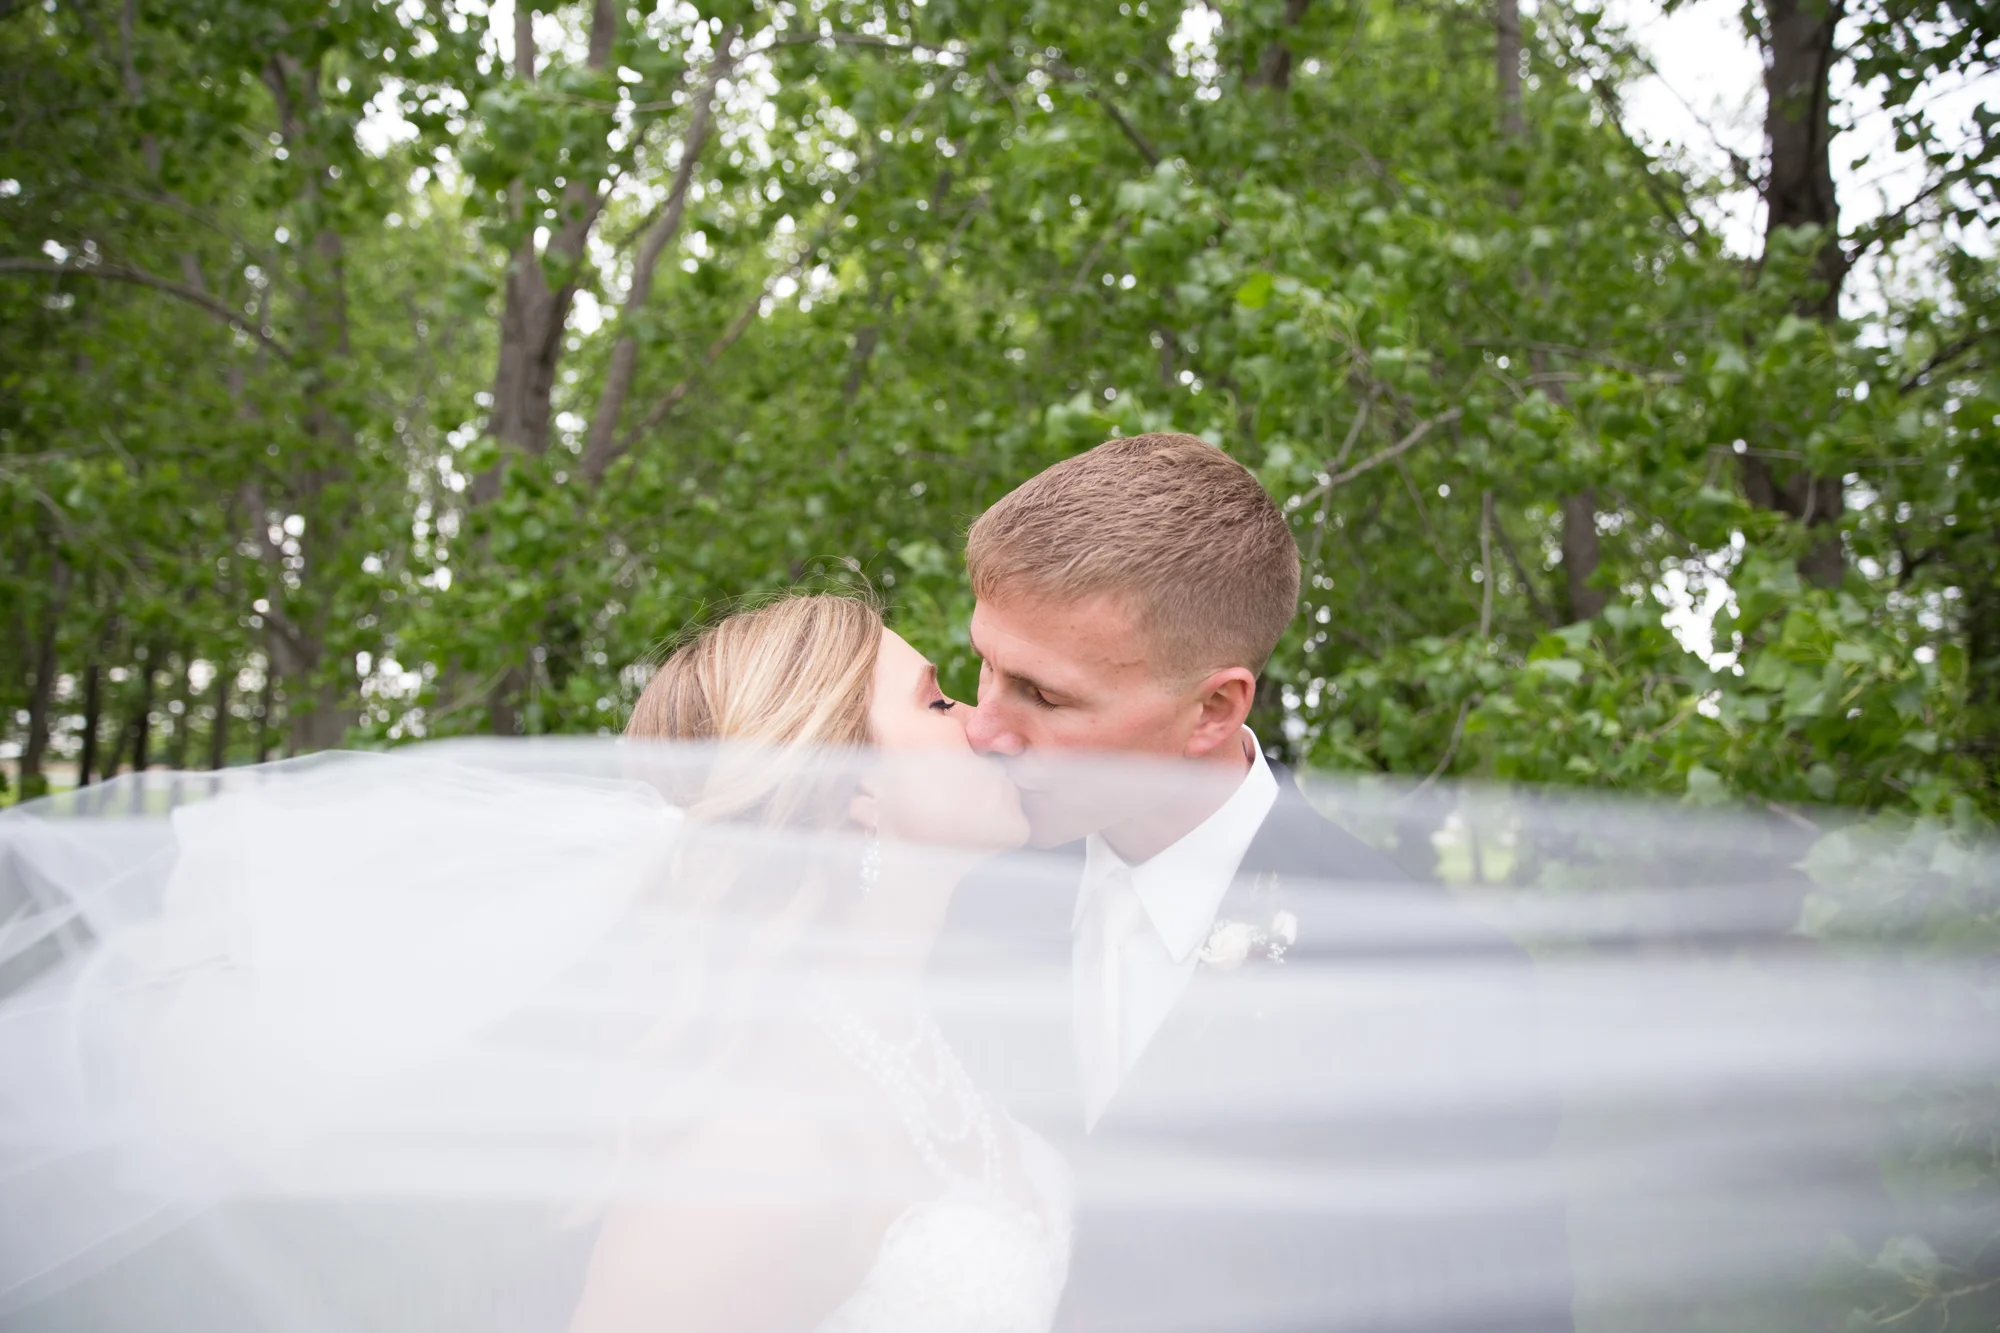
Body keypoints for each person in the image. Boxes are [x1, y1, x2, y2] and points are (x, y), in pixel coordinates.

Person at [943, 433, 1576, 1332]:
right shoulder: (955, 891)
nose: (986, 729)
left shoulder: (1441, 980)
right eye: (985, 666)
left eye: (1045, 696)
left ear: (1214, 707)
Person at [569, 594, 1072, 1333]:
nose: (982, 722)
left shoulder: (927, 1038)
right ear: (856, 784)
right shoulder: (760, 1143)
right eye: (936, 703)